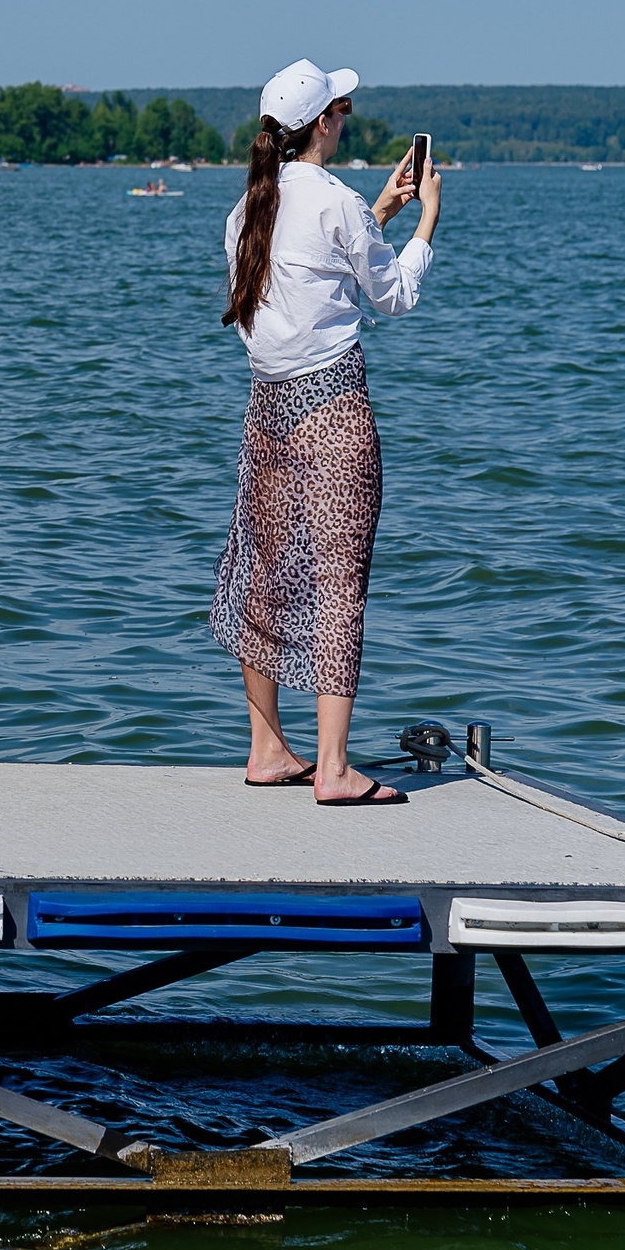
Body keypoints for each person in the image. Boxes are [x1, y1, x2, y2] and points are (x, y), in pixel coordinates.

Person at [212, 58, 440, 806]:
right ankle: (334, 769)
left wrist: (381, 212)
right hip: (333, 410)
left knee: (264, 576)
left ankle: (267, 749)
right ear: (321, 123)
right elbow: (392, 296)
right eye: (341, 108)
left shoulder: (246, 211)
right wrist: (426, 220)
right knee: (339, 583)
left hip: (267, 412)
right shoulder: (336, 203)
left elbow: (308, 276)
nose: (346, 118)